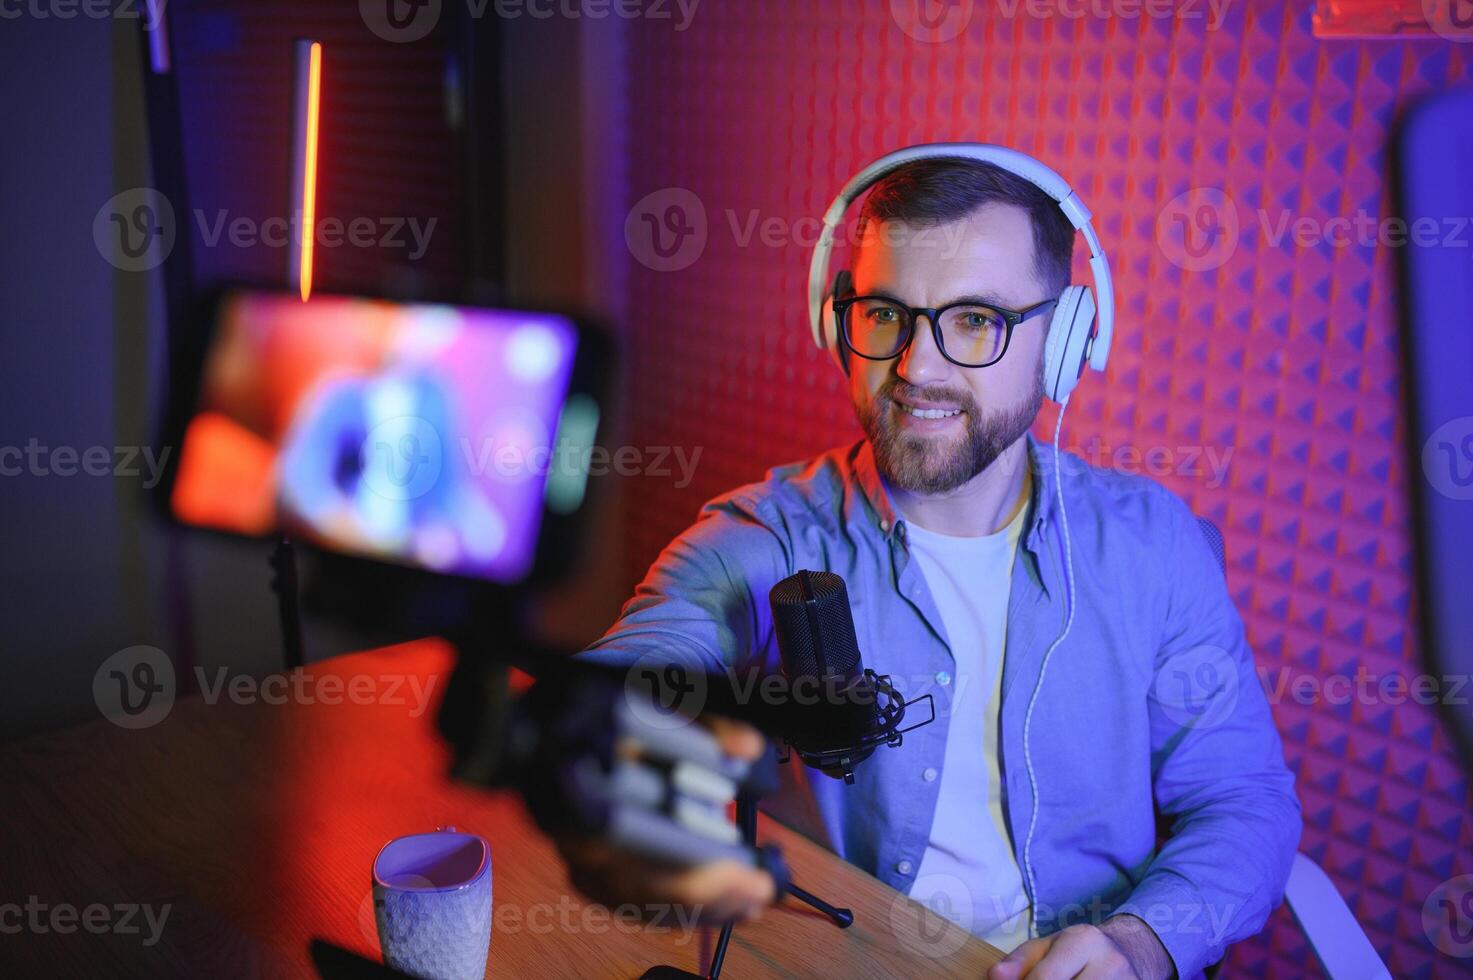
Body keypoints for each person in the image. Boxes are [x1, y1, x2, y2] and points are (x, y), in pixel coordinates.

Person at [570, 150, 1301, 979]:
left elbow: (1242, 802)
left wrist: (1135, 946)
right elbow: (641, 665)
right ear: (835, 318)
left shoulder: (1151, 546)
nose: (916, 367)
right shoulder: (768, 536)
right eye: (886, 313)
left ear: (1063, 342)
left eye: (975, 322)